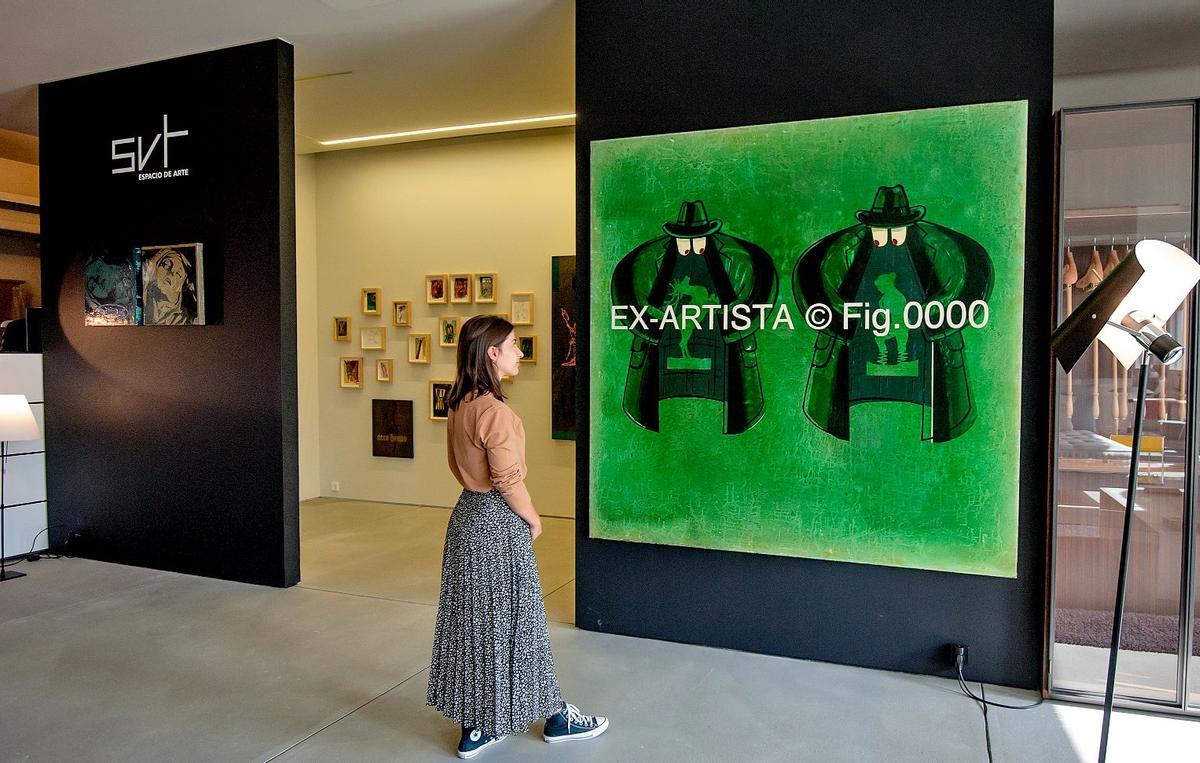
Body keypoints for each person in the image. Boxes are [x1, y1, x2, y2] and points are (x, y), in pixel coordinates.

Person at [427, 314, 609, 759]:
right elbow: (507, 480)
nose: (520, 353)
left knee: (474, 624)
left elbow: (462, 467)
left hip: (466, 519)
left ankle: (477, 725)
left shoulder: (460, 403)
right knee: (520, 623)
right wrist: (532, 517)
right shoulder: (495, 412)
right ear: (492, 353)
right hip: (497, 522)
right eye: (513, 345)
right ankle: (555, 718)